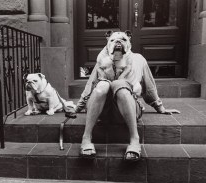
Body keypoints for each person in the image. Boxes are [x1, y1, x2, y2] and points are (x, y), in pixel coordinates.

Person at [75, 31, 180, 161]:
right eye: (113, 40)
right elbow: (89, 87)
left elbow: (149, 87)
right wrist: (77, 108)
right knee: (101, 86)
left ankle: (134, 139)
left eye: (123, 39)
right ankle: (86, 137)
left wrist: (160, 107)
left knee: (121, 85)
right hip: (103, 111)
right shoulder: (101, 61)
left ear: (129, 42)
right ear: (107, 44)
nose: (118, 42)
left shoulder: (139, 59)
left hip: (127, 108)